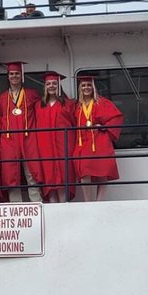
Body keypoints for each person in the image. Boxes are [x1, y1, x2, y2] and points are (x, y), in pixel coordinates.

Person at [0, 62, 43, 202]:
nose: (14, 76)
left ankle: (36, 204)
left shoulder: (31, 94)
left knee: (32, 173)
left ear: (21, 76)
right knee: (11, 174)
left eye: (16, 73)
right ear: (8, 77)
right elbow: (0, 116)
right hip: (9, 140)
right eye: (11, 74)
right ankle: (15, 206)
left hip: (29, 139)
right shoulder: (2, 98)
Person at [72, 74, 124, 202]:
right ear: (80, 88)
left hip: (99, 140)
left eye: (89, 85)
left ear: (93, 87)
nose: (86, 87)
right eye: (83, 85)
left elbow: (117, 117)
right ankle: (89, 202)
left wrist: (104, 126)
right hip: (83, 142)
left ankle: (99, 202)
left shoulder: (102, 103)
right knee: (84, 171)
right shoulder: (76, 106)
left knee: (102, 171)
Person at [34, 72, 76, 202]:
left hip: (63, 144)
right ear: (45, 87)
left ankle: (64, 204)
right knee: (49, 175)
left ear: (59, 85)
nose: (51, 86)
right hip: (45, 146)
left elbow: (75, 123)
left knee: (63, 174)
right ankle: (53, 205)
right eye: (48, 84)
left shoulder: (69, 104)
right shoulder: (39, 106)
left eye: (54, 83)